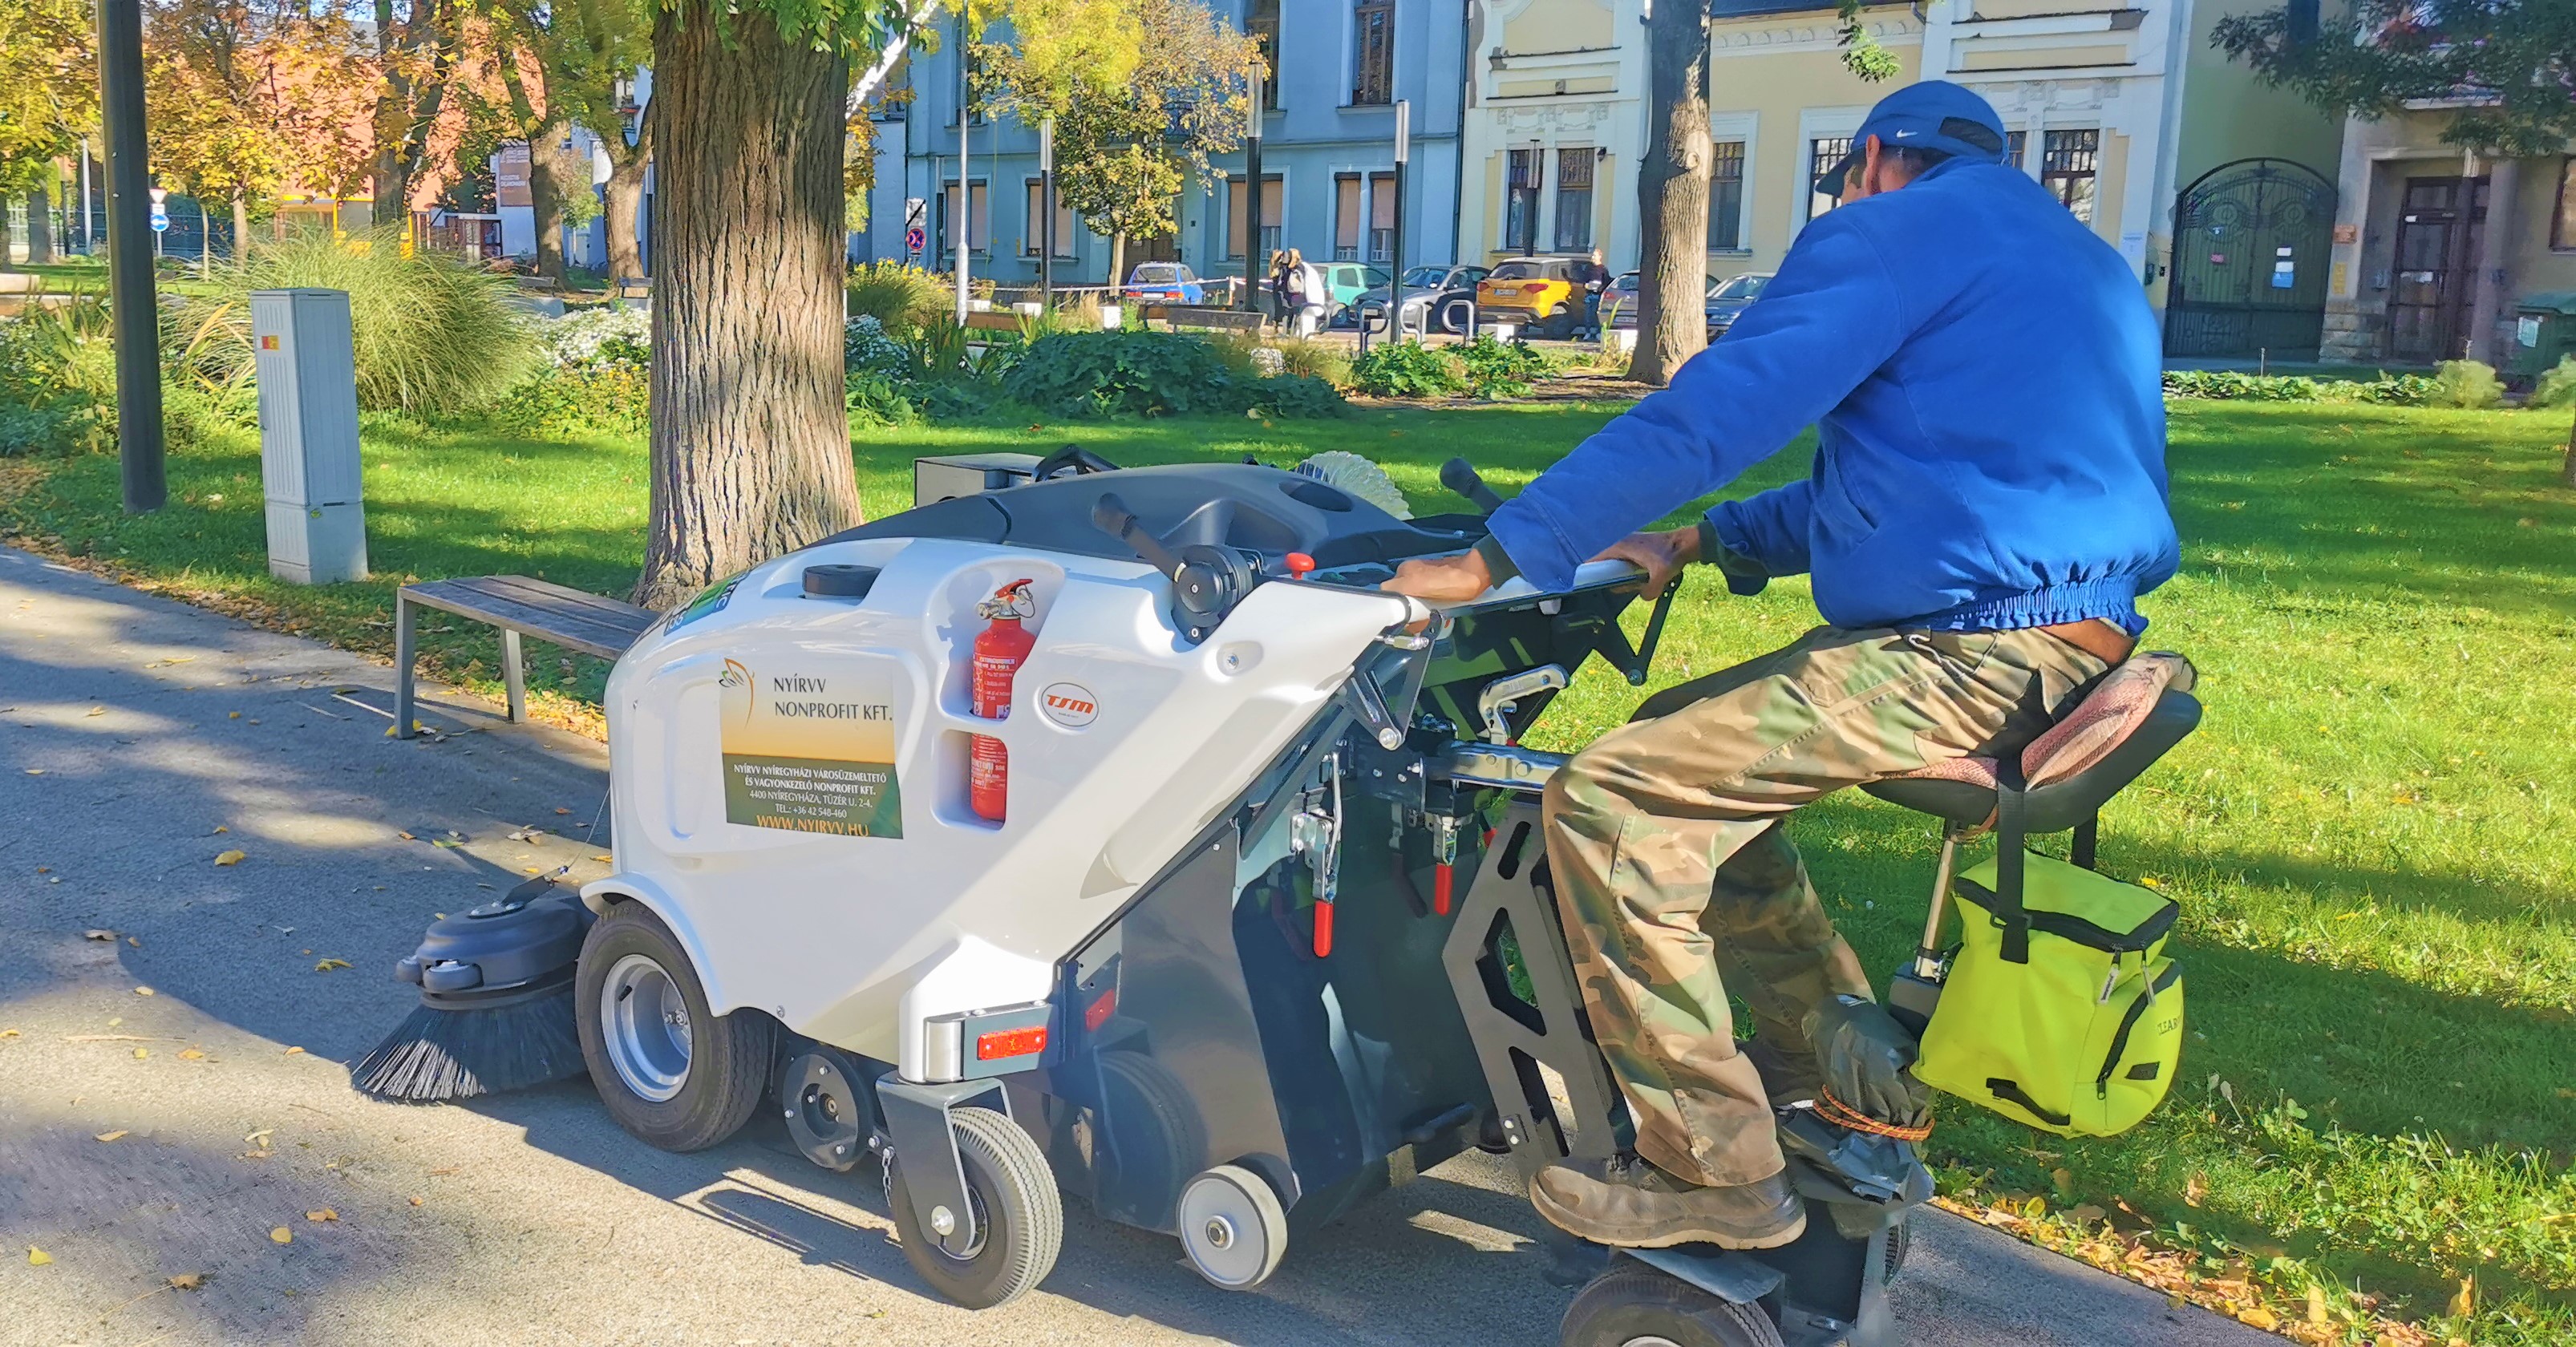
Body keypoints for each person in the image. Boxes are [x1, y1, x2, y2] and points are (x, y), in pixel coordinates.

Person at [1383, 80, 2177, 1252]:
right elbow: (1929, 487)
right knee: (1683, 740)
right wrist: (1701, 540)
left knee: (1608, 801)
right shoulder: (2081, 261)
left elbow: (1723, 406)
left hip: (1967, 650)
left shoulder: (1894, 229)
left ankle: (1714, 1172)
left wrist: (1503, 554)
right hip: (2070, 640)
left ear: (1871, 161)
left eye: (1852, 175)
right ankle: (1820, 1063)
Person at [1575, 246, 1614, 340]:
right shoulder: (1589, 268)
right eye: (1592, 255)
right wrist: (1585, 285)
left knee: (1597, 314)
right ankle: (1587, 332)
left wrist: (1600, 288)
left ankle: (1598, 332)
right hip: (1589, 294)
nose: (1592, 257)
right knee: (1588, 315)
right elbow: (1584, 279)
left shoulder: (1603, 269)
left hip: (1598, 295)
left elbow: (1606, 282)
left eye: (1594, 255)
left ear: (1600, 257)